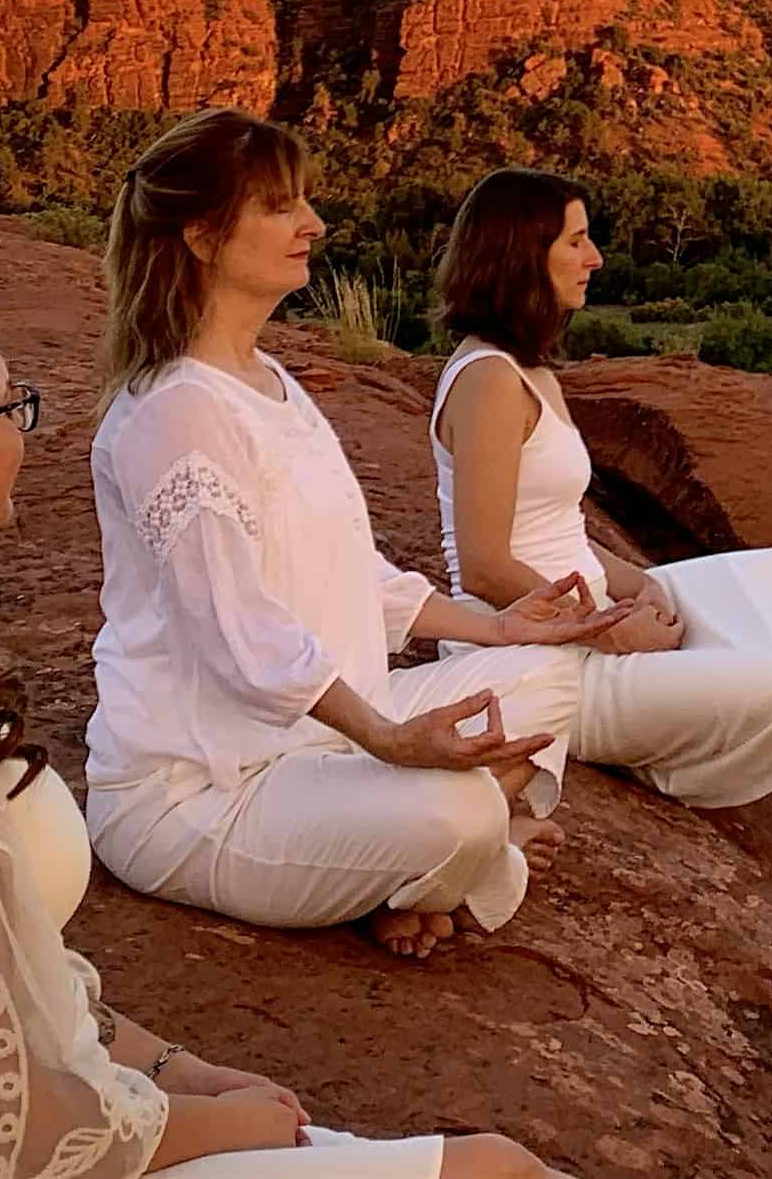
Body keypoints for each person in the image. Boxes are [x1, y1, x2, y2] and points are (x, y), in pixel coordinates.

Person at [0, 277, 558, 1176]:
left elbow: (14, 977)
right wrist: (215, 1126)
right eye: (9, 408)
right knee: (498, 1167)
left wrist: (182, 1069)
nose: (25, 434)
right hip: (72, 1140)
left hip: (93, 1095)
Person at [82, 112, 627, 964]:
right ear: (199, 235)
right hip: (206, 789)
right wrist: (388, 740)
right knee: (465, 811)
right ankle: (447, 859)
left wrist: (501, 626)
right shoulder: (177, 411)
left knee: (543, 678)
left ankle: (392, 870)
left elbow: (351, 575)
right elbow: (243, 635)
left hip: (317, 739)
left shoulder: (268, 382)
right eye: (280, 208)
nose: (314, 226)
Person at [429, 169, 772, 807]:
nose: (594, 258)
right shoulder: (488, 381)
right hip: (538, 650)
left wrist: (639, 584)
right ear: (521, 254)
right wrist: (608, 630)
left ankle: (661, 703)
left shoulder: (529, 370)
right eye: (575, 241)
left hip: (587, 610)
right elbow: (487, 566)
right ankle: (651, 750)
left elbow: (557, 527)